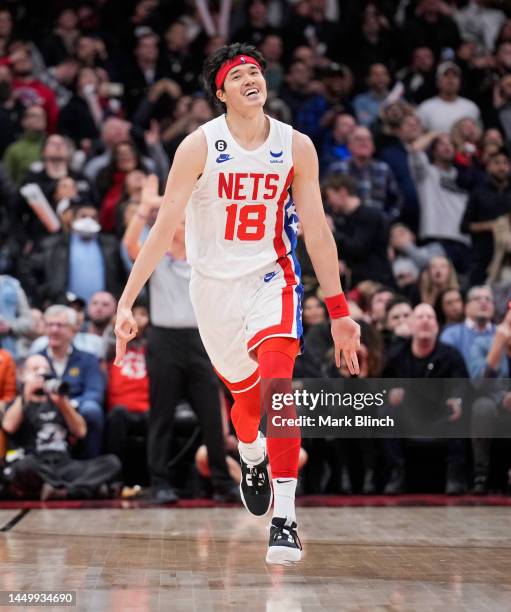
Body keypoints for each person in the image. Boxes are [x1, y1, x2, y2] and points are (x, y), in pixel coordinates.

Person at [114, 42, 360, 565]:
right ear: (220, 92)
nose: (251, 78)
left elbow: (316, 230)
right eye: (238, 74)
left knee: (278, 388)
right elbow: (162, 230)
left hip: (275, 278)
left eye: (256, 71)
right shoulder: (200, 146)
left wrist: (340, 313)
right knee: (245, 407)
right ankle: (249, 454)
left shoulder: (297, 146)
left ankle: (286, 517)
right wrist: (126, 302)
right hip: (214, 288)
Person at [2, 354, 121, 500]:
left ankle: (61, 491)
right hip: (36, 463)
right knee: (23, 466)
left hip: (64, 464)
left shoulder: (60, 401)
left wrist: (63, 404)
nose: (41, 373)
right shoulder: (18, 402)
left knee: (111, 463)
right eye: (35, 369)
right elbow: (8, 426)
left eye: (45, 369)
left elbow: (81, 431)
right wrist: (25, 395)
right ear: (22, 375)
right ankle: (86, 488)